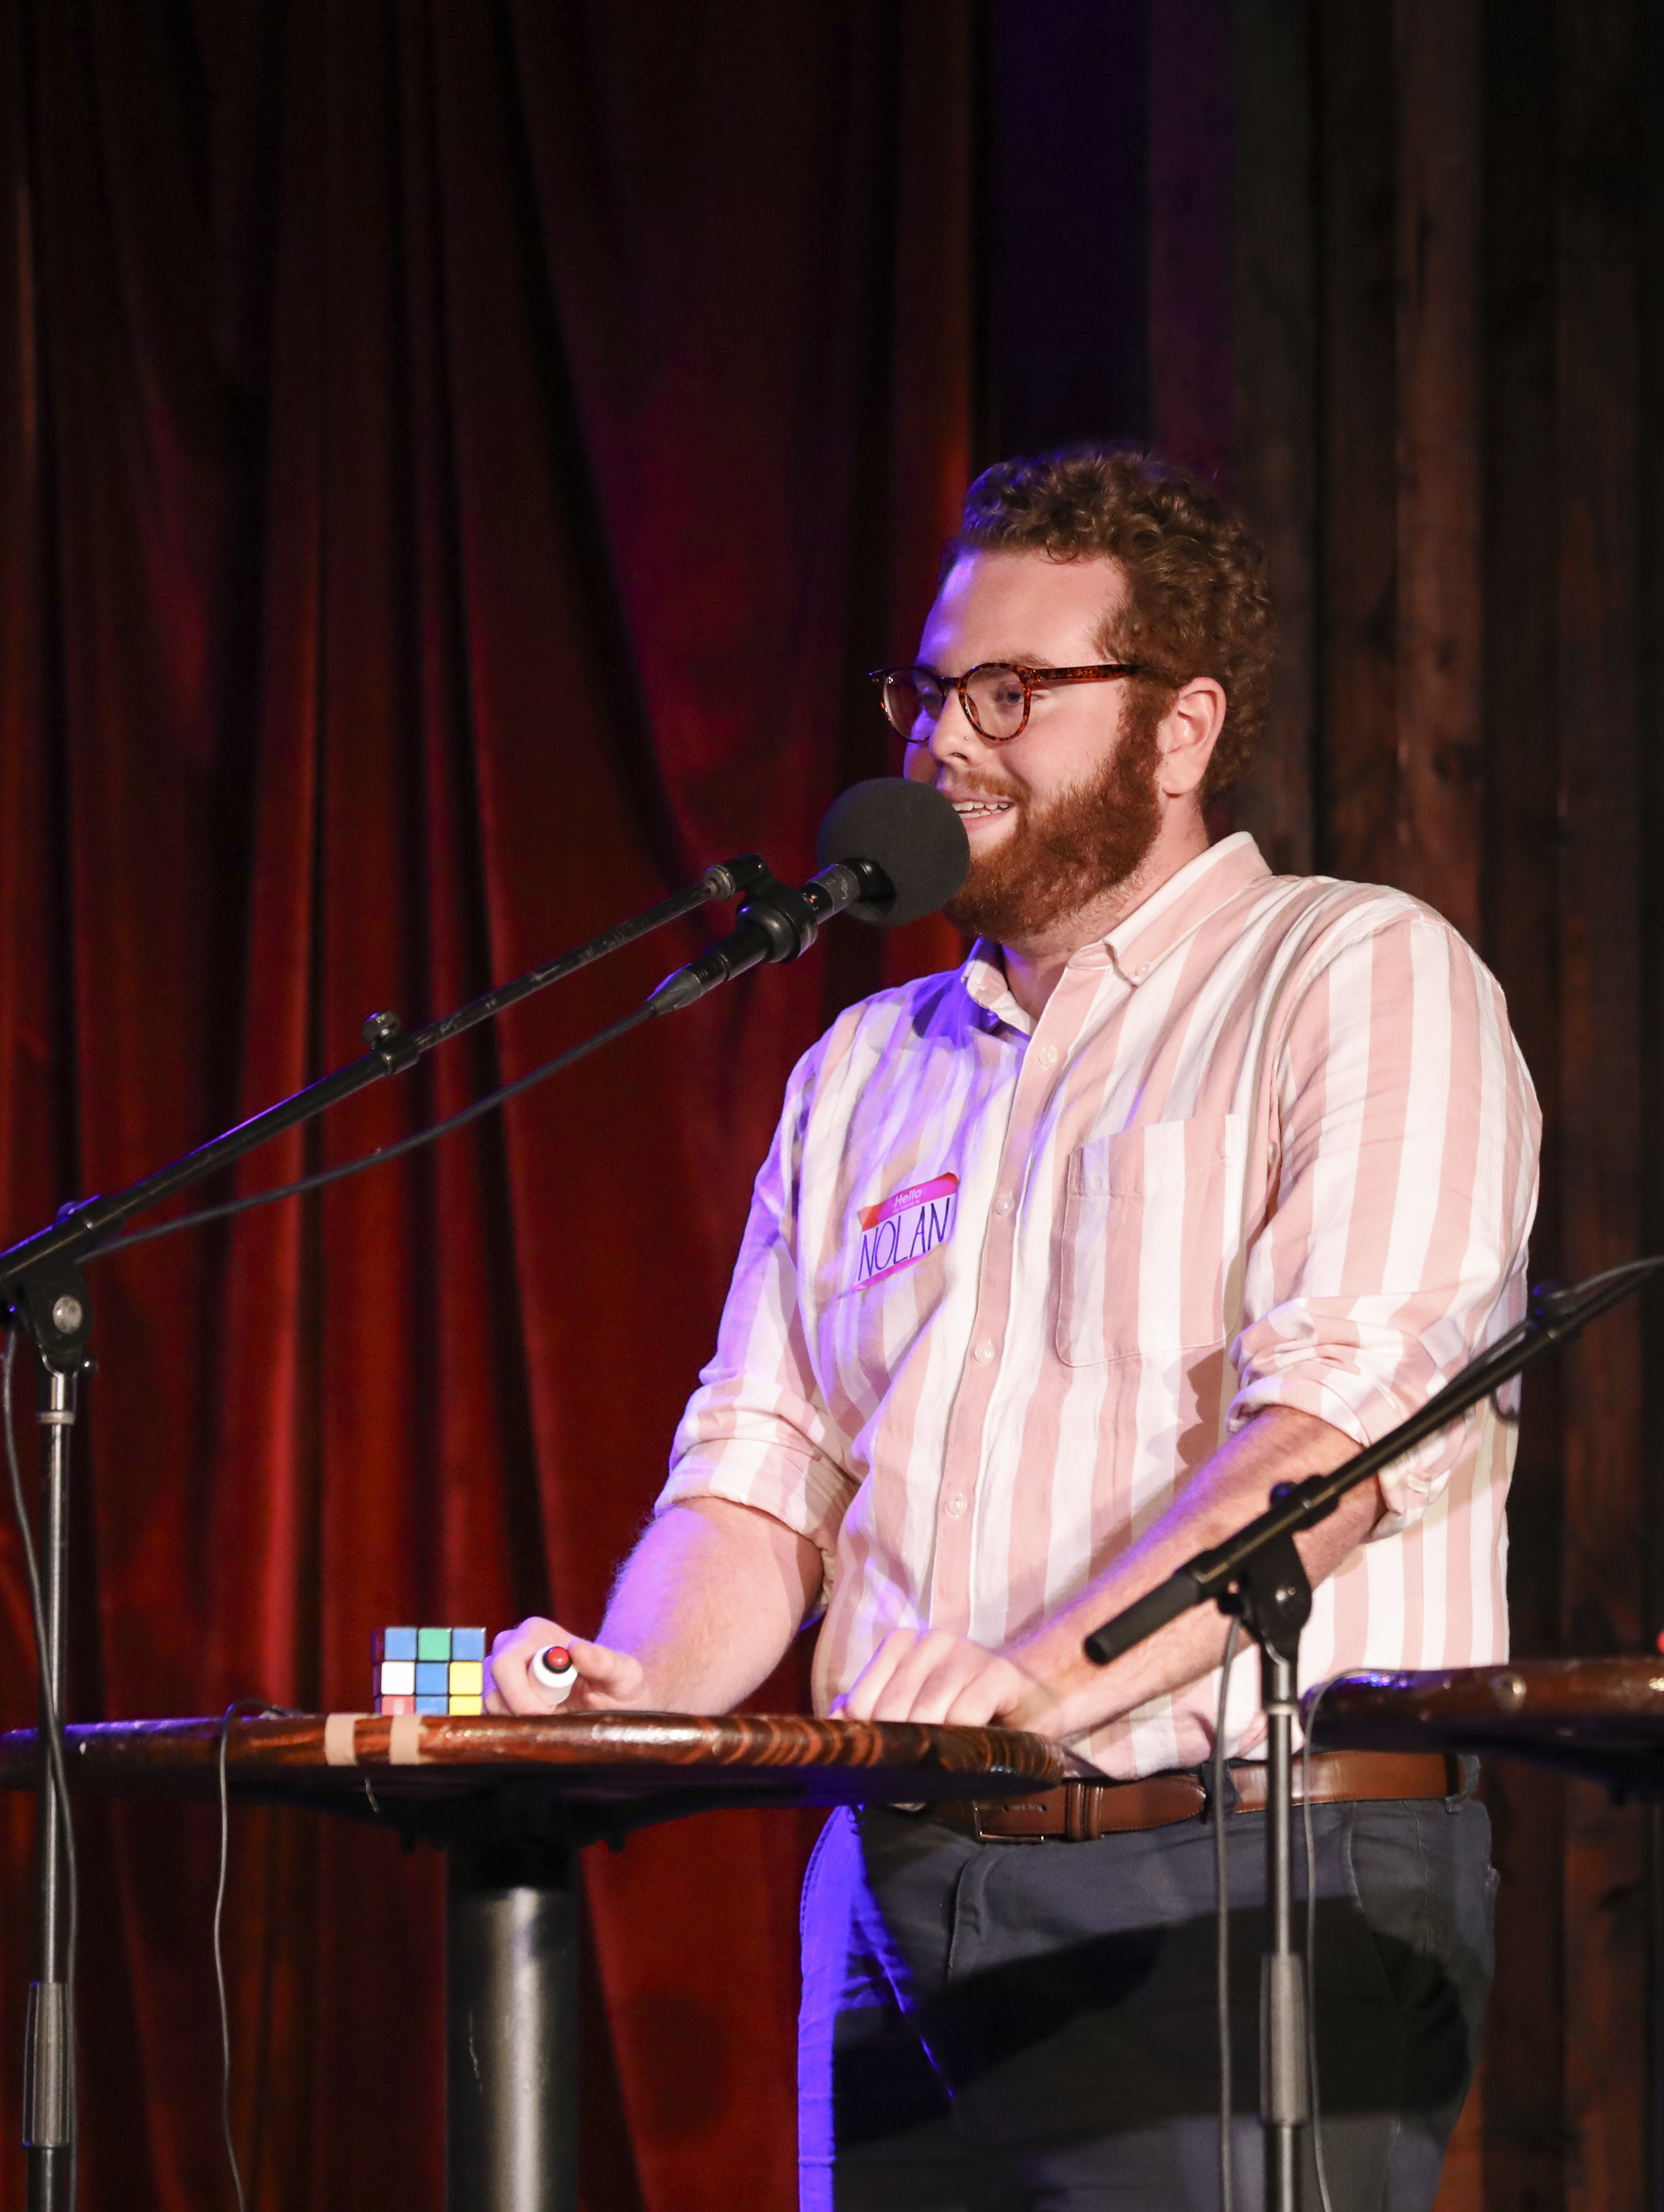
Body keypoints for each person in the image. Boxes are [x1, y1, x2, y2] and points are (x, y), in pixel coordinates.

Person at [489, 445, 1539, 2210]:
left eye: (1010, 693)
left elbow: (1339, 1442)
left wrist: (1028, 1684)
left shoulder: (1357, 973)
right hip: (894, 1891)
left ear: (1180, 731)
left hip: (1237, 1873)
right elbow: (758, 1475)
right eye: (927, 691)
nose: (944, 742)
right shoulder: (864, 1069)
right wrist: (635, 1686)